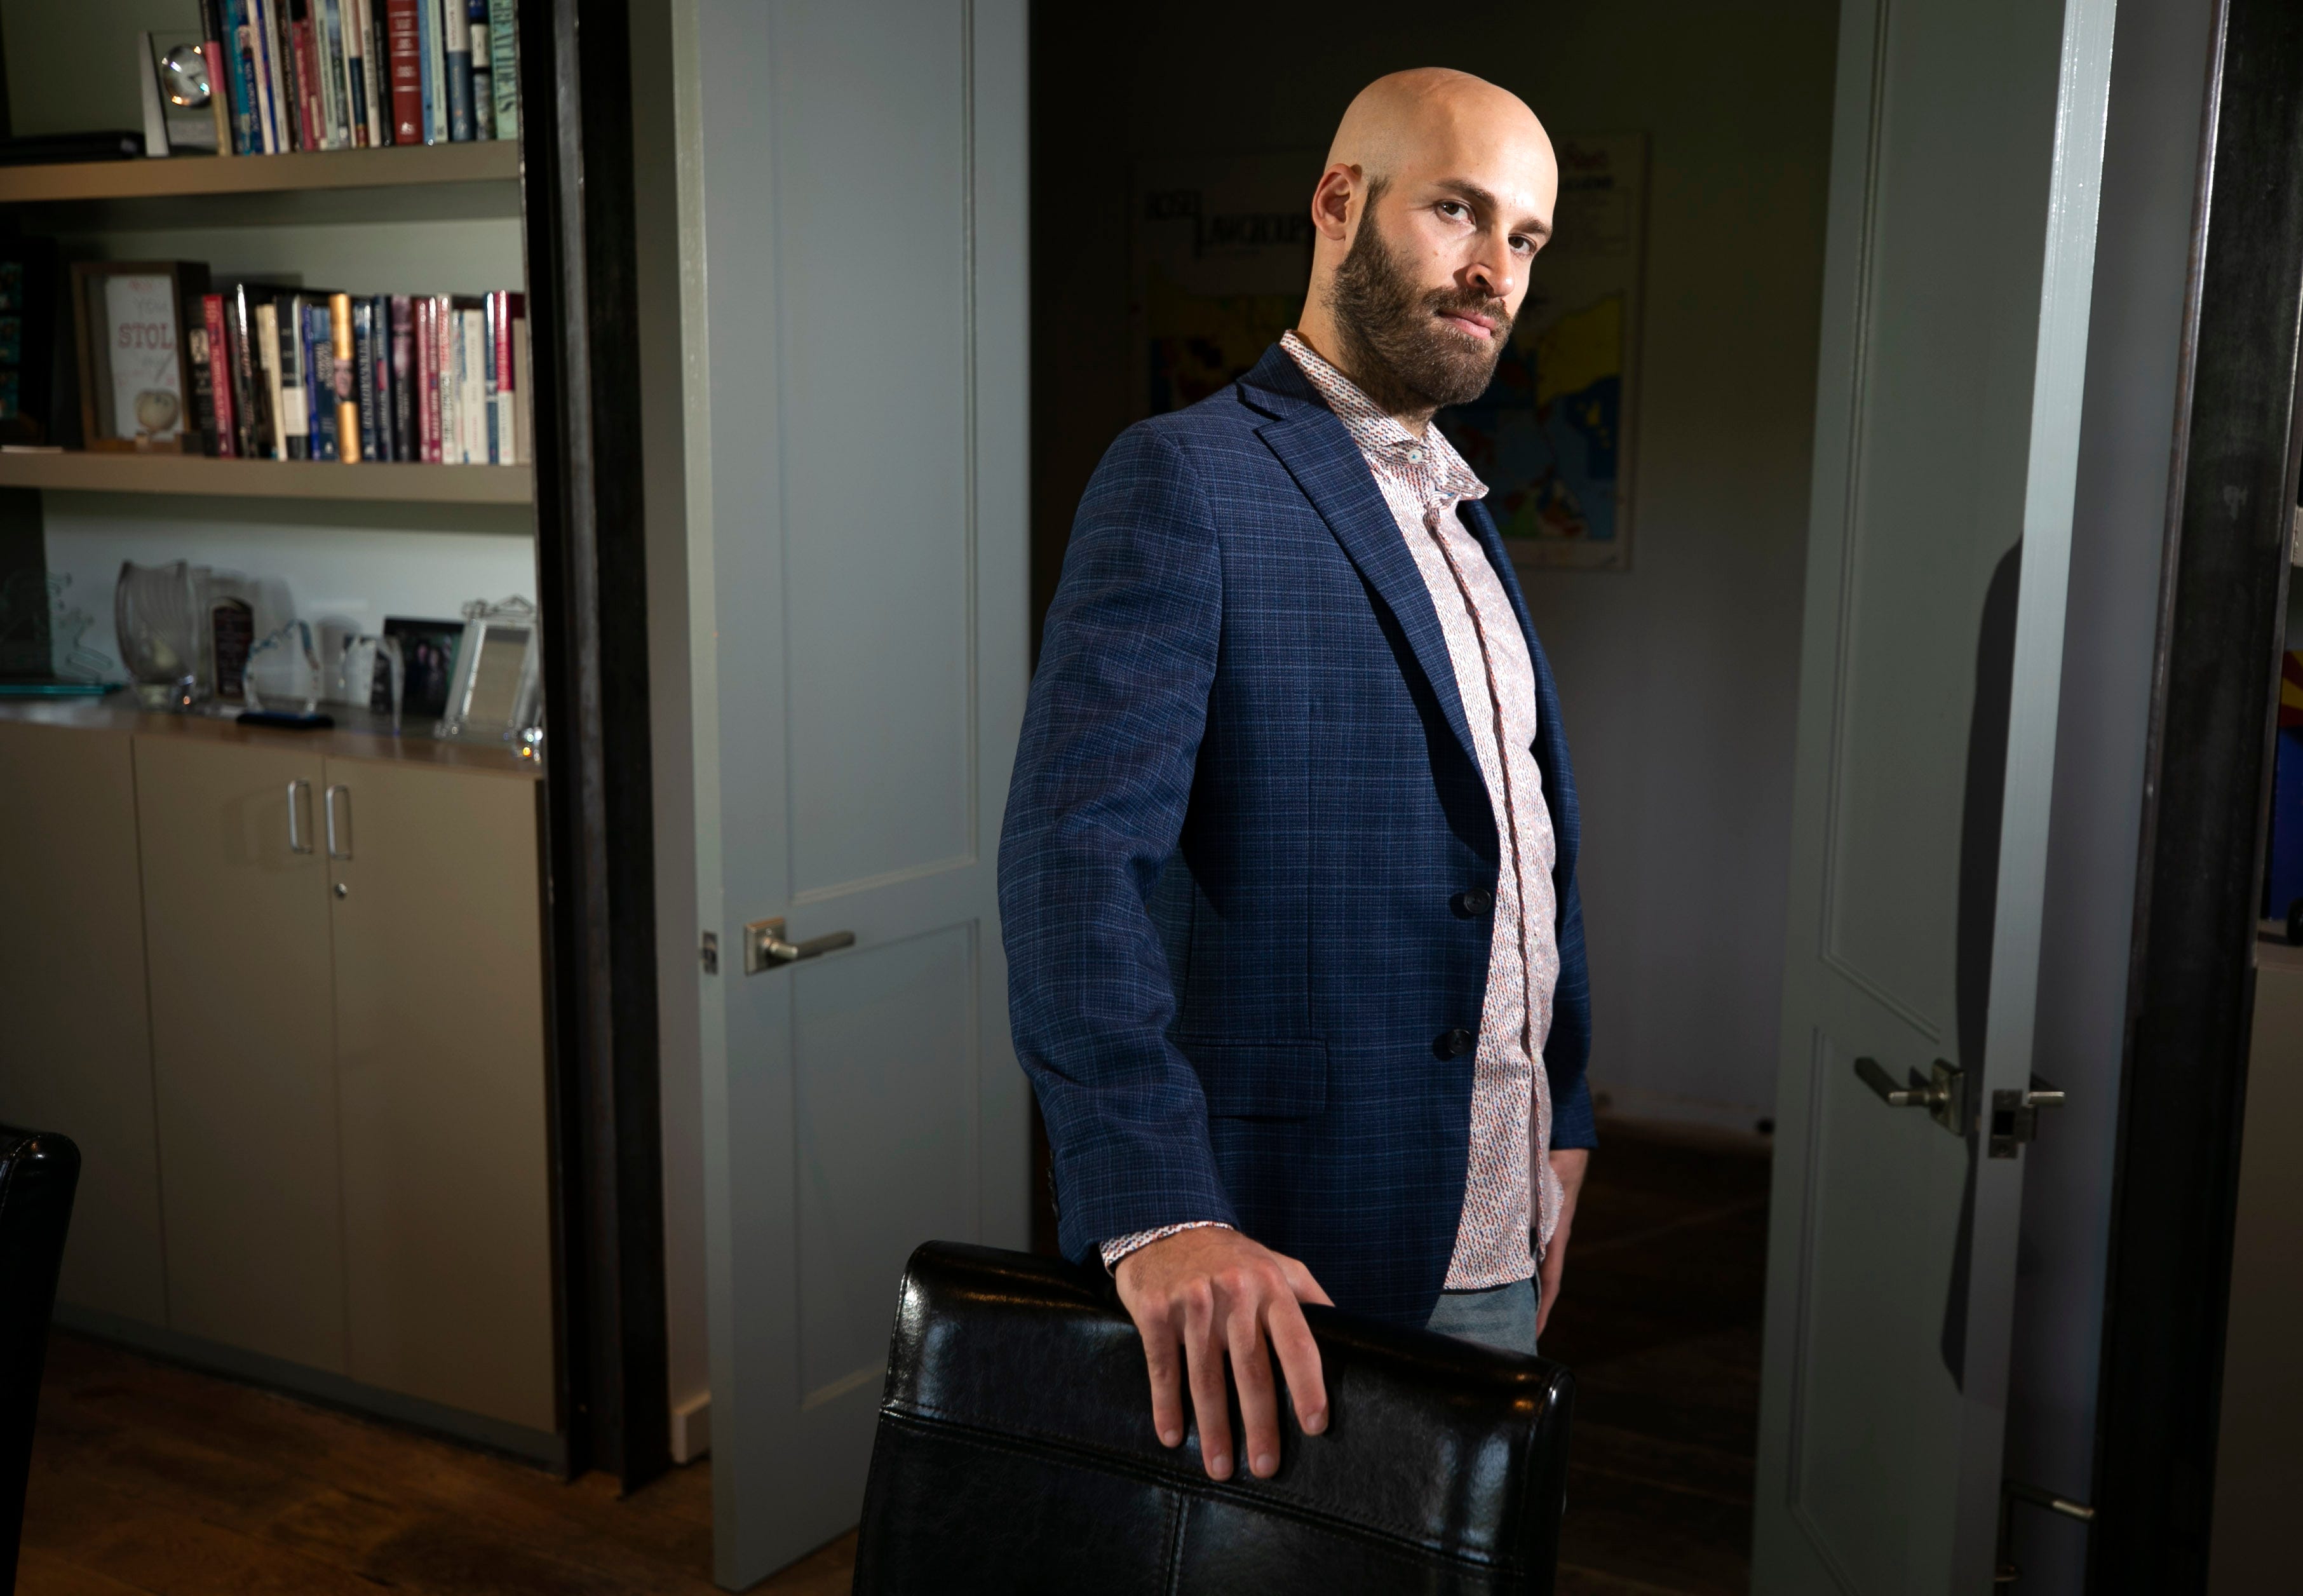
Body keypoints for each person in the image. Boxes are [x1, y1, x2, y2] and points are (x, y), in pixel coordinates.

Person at [997, 67, 1592, 1487]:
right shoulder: (1184, 479)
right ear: (1340, 204)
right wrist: (1159, 1208)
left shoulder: (1458, 509)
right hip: (1290, 1260)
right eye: (1457, 210)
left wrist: (1556, 1118)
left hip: (1501, 1223)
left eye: (1524, 239)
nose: (1492, 269)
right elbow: (1072, 861)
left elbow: (1515, 842)